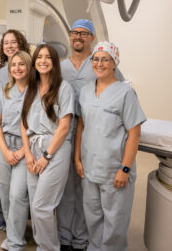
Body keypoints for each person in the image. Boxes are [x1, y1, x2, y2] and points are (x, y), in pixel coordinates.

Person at [57, 19, 125, 251]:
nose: (79, 37)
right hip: (64, 133)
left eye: (84, 33)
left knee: (87, 191)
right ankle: (65, 237)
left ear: (92, 38)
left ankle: (82, 238)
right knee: (66, 187)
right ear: (69, 36)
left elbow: (118, 94)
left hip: (92, 134)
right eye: (75, 32)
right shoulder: (61, 67)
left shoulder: (99, 62)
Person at [74, 42, 145, 251]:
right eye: (95, 59)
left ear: (114, 63)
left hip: (115, 168)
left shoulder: (125, 93)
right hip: (89, 166)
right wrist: (77, 158)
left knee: (115, 220)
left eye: (105, 59)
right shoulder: (86, 91)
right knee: (93, 215)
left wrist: (125, 168)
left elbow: (134, 133)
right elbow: (81, 125)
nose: (99, 63)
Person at [21, 44, 74, 251]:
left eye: (48, 58)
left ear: (54, 62)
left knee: (42, 206)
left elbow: (64, 126)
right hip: (32, 148)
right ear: (34, 61)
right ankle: (46, 245)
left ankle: (49, 249)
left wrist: (46, 156)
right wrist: (27, 153)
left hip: (55, 149)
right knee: (36, 206)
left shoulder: (63, 88)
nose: (43, 61)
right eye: (39, 57)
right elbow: (23, 122)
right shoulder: (31, 87)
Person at [0, 29, 30, 230]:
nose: (10, 46)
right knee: (1, 183)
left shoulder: (31, 74)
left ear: (21, 44)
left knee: (19, 189)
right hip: (2, 132)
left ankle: (18, 223)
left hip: (24, 137)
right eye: (6, 43)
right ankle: (1, 215)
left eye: (13, 42)